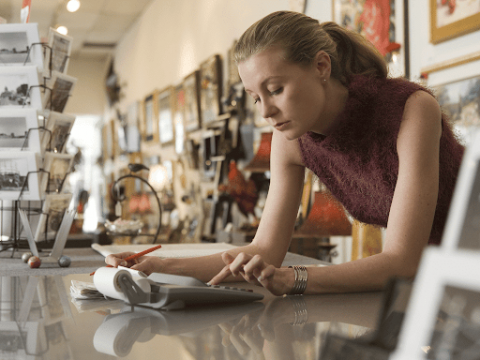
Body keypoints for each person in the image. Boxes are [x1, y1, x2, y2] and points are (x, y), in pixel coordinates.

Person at [106, 11, 464, 296]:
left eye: (275, 89)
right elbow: (264, 250)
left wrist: (296, 279)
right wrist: (157, 266)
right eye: (256, 97)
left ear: (322, 67)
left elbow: (401, 260)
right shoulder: (291, 138)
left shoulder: (410, 109)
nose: (265, 112)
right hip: (439, 273)